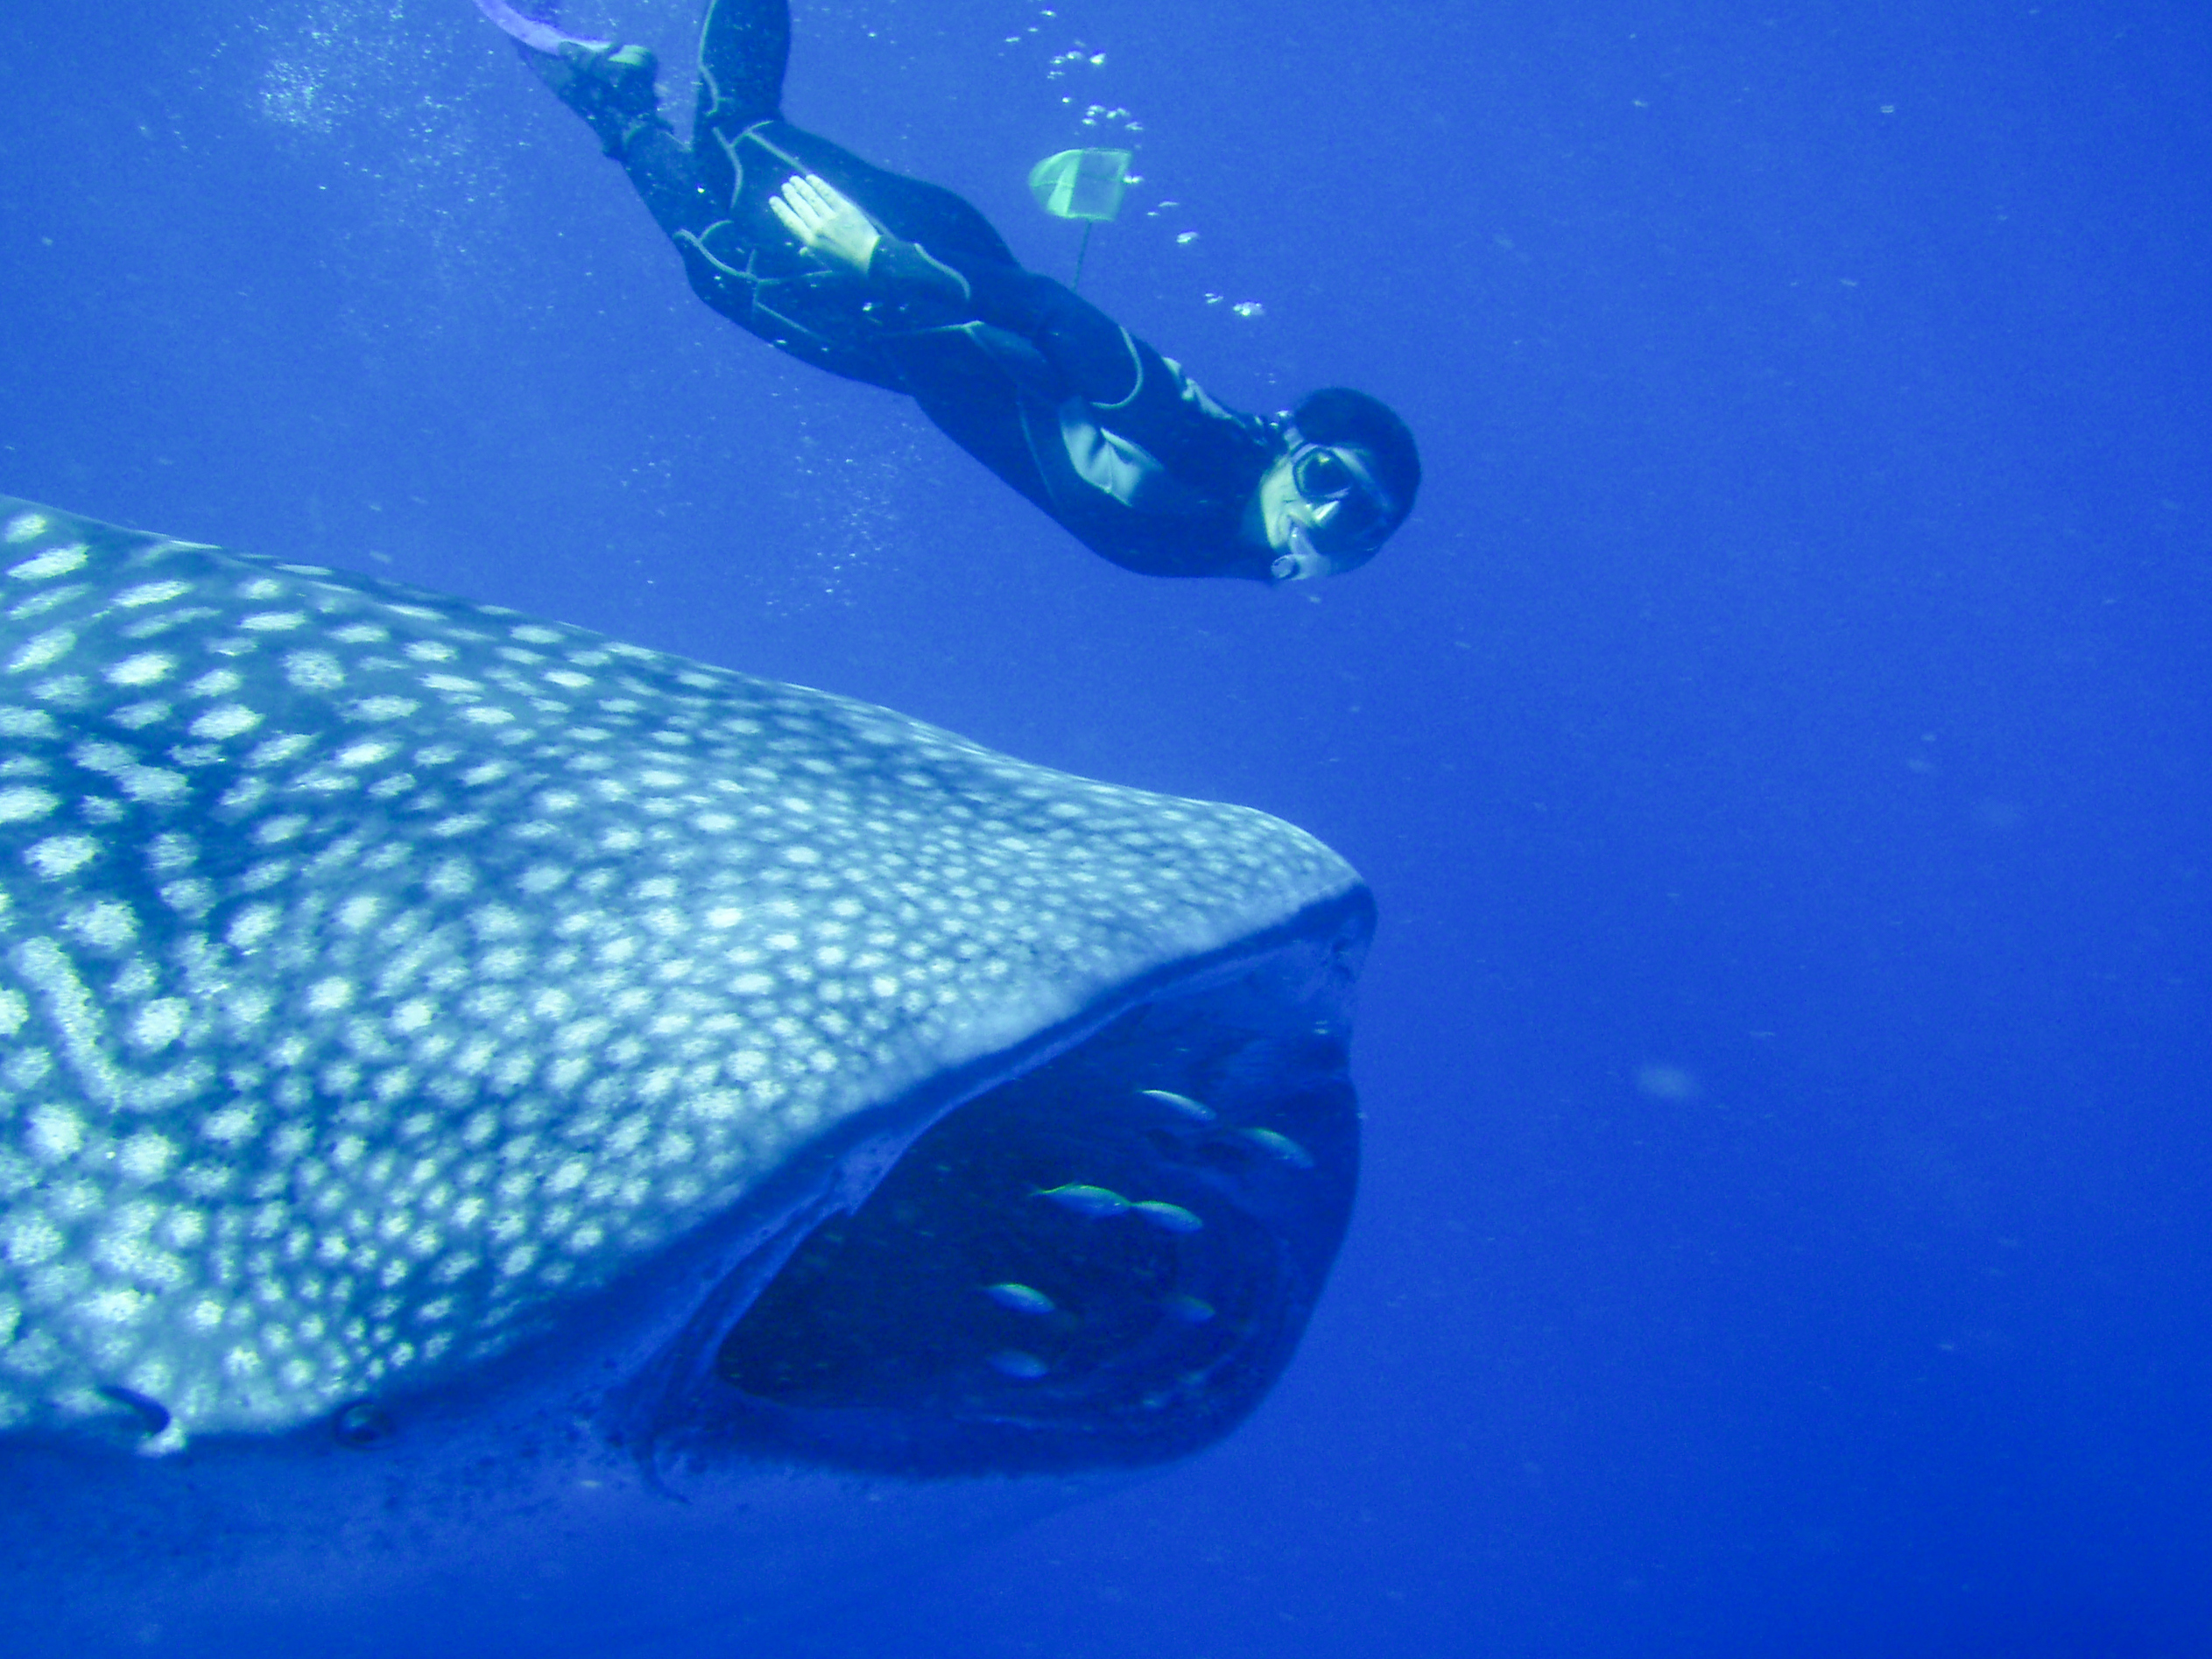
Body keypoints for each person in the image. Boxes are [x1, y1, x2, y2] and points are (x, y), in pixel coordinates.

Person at [502, 0, 1419, 582]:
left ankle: (612, 96)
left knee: (725, 278)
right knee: (738, 144)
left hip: (911, 351)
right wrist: (878, 257)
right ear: (1288, 452)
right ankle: (614, 97)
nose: (1331, 519)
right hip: (919, 273)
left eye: (1362, 523)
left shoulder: (1230, 544)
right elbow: (1055, 312)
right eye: (1329, 478)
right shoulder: (1195, 442)